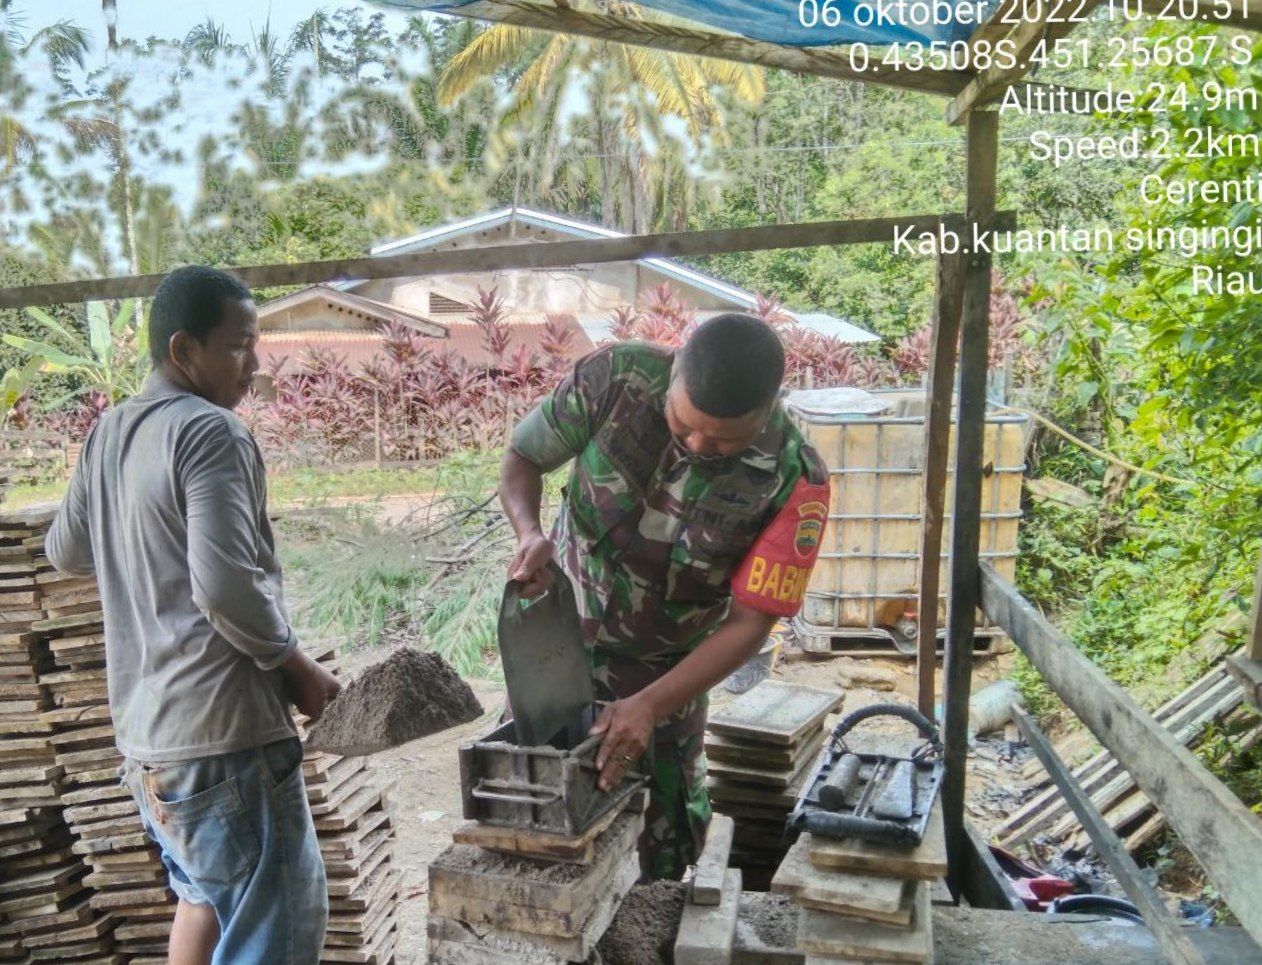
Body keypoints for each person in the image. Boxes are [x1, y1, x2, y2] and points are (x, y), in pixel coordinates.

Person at [46, 265, 340, 965]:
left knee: (205, 896)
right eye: (239, 344)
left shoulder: (109, 433)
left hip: (151, 744)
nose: (256, 363)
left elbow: (66, 549)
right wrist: (296, 667)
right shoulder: (211, 433)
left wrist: (141, 541)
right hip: (224, 741)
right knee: (277, 933)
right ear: (184, 351)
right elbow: (225, 584)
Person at [499, 313, 830, 880]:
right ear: (674, 371)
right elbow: (523, 458)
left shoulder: (796, 479)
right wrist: (531, 533)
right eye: (683, 426)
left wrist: (650, 706)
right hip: (550, 661)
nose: (698, 446)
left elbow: (749, 625)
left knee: (660, 854)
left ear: (769, 409)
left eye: (725, 441)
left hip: (666, 683)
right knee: (527, 835)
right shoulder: (614, 378)